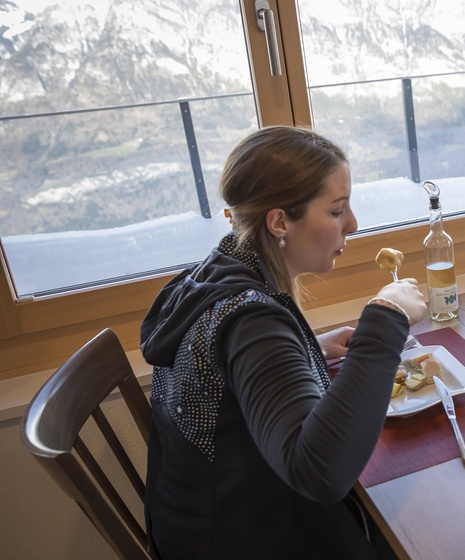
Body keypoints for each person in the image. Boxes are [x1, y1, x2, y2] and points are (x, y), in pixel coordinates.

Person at [139, 126, 427, 558]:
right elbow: (321, 471)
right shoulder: (251, 321)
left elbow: (230, 370)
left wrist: (305, 346)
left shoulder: (214, 274)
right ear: (279, 222)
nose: (352, 224)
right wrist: (387, 319)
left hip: (202, 523)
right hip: (248, 539)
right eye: (336, 211)